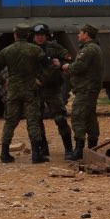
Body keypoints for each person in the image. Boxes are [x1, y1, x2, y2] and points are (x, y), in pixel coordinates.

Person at [0, 23, 47, 164]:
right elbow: (48, 66)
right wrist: (41, 80)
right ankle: (36, 155)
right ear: (28, 35)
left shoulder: (7, 51)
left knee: (10, 121)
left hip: (13, 91)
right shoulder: (35, 50)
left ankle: (5, 153)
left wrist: (3, 81)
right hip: (30, 90)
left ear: (15, 35)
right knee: (33, 121)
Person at [63, 24, 104, 161]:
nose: (78, 35)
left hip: (85, 89)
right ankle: (92, 149)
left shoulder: (88, 49)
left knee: (78, 116)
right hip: (89, 89)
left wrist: (67, 66)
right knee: (90, 117)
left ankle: (79, 150)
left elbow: (79, 66)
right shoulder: (94, 48)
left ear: (86, 34)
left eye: (80, 33)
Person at [32, 23, 73, 159]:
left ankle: (68, 149)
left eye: (42, 35)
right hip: (36, 90)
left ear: (46, 36)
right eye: (37, 35)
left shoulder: (54, 47)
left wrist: (60, 64)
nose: (39, 38)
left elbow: (69, 59)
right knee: (36, 120)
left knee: (60, 118)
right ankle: (43, 149)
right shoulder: (29, 50)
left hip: (53, 89)